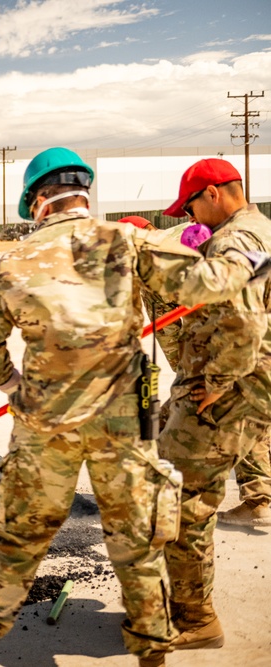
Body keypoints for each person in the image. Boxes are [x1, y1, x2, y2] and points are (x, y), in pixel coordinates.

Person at [0, 148, 264, 667]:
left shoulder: (15, 261)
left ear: (38, 201)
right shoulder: (127, 241)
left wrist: (14, 389)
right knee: (139, 541)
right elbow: (208, 286)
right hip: (123, 423)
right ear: (84, 194)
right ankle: (153, 658)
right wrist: (252, 257)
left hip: (44, 428)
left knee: (17, 535)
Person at [155, 158, 271, 652]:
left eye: (192, 207)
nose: (191, 220)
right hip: (254, 387)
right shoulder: (262, 230)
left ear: (216, 193)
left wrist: (220, 380)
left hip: (231, 393)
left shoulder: (231, 241)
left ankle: (196, 618)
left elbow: (245, 321)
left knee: (183, 504)